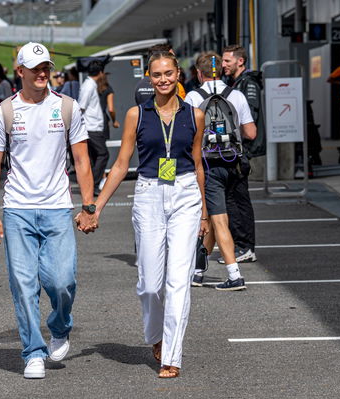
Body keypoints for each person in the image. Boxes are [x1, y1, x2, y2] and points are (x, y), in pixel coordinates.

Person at [0, 42, 96, 379]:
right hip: (17, 208)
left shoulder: (67, 108)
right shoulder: (4, 111)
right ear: (20, 71)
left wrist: (89, 206)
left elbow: (81, 160)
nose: (43, 72)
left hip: (58, 207)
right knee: (23, 282)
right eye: (35, 68)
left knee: (61, 281)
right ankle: (33, 350)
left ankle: (59, 326)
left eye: (46, 66)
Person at [92, 50, 207, 378]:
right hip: (148, 194)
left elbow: (199, 164)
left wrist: (205, 213)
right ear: (149, 78)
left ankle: (172, 354)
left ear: (178, 75)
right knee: (149, 283)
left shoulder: (195, 115)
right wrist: (96, 206)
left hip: (185, 193)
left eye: (169, 73)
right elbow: (120, 164)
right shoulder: (136, 115)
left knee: (178, 280)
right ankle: (155, 336)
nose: (163, 79)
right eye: (157, 75)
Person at [184, 52, 256, 290]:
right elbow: (251, 133)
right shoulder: (237, 95)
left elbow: (187, 134)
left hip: (208, 164)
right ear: (220, 71)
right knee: (217, 216)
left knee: (218, 219)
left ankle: (234, 275)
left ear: (199, 73)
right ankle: (197, 271)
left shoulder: (193, 97)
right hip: (235, 163)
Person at [220, 44, 264, 263]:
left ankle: (245, 246)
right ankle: (241, 245)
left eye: (227, 61)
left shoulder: (248, 84)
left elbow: (249, 125)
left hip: (241, 151)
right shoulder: (235, 84)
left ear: (240, 61)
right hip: (236, 150)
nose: (223, 65)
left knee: (238, 200)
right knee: (233, 199)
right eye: (222, 60)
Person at [79, 60, 107, 195]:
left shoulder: (89, 84)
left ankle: (91, 185)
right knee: (103, 154)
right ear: (100, 72)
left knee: (93, 157)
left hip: (92, 126)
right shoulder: (89, 86)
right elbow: (81, 106)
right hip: (91, 127)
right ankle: (93, 184)